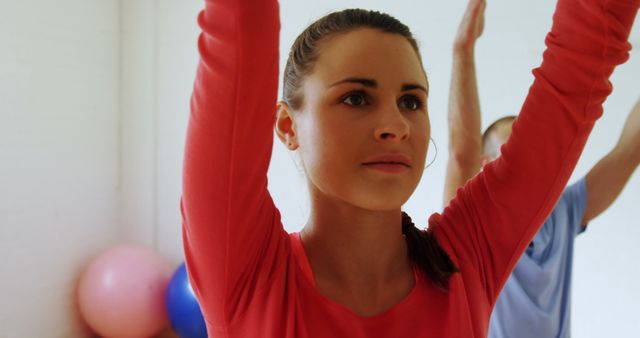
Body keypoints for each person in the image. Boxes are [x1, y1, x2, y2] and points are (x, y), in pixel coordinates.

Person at [181, 0, 638, 336]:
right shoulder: (247, 276)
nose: (395, 125)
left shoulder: (465, 262)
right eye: (356, 97)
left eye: (411, 101)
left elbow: (577, 69)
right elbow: (241, 24)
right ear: (287, 125)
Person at [444, 2, 640, 337]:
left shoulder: (564, 208)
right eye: (510, 152)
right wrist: (463, 51)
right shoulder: (474, 224)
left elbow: (629, 149)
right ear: (486, 165)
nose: (526, 159)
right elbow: (461, 154)